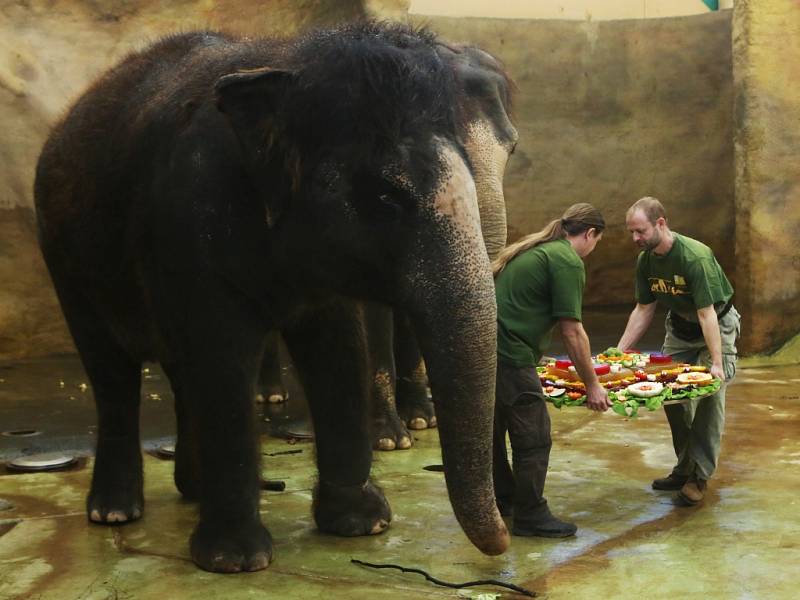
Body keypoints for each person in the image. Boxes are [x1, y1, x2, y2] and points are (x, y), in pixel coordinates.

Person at [492, 202, 611, 538]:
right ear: (590, 234)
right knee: (534, 436)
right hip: (509, 353)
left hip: (489, 350)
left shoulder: (541, 250)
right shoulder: (566, 260)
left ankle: (504, 500)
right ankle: (530, 514)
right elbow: (572, 330)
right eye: (596, 241)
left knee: (494, 430)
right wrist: (593, 384)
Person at [617, 196, 740, 506]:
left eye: (640, 231)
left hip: (715, 325)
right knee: (669, 393)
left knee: (710, 396)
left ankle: (699, 475)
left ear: (661, 223)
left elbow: (707, 314)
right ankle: (684, 467)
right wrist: (617, 352)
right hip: (681, 329)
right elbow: (644, 309)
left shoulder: (694, 257)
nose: (635, 238)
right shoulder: (646, 260)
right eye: (631, 232)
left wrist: (716, 362)